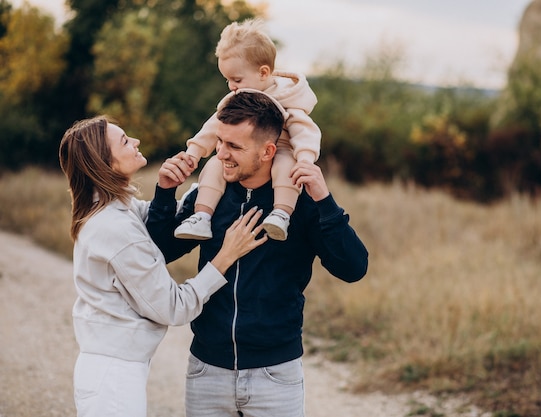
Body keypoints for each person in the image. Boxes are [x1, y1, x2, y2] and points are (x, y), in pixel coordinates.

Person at [147, 91, 368, 417]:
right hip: (206, 370)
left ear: (268, 151)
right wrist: (165, 192)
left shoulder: (301, 203)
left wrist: (324, 200)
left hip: (276, 374)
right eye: (220, 142)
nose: (221, 154)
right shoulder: (209, 197)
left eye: (234, 146)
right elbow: (160, 252)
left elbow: (353, 267)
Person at [58, 116, 268, 417]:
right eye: (125, 141)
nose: (136, 142)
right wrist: (225, 257)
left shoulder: (116, 208)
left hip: (112, 367)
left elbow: (160, 224)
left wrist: (177, 188)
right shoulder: (115, 228)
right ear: (104, 163)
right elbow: (173, 307)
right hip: (113, 377)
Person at [173, 18, 321, 241]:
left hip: (280, 150)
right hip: (246, 156)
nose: (231, 86)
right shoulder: (238, 98)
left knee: (285, 165)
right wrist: (194, 152)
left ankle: (281, 213)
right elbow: (214, 125)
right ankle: (202, 217)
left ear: (263, 73)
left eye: (236, 79)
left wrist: (305, 159)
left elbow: (305, 131)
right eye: (227, 80)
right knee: (215, 164)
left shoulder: (289, 97)